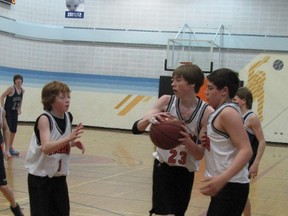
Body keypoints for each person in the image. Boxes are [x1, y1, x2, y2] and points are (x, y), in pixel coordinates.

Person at [132, 64, 213, 216]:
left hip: (185, 171)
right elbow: (136, 129)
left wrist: (186, 140)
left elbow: (199, 155)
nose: (172, 83)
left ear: (191, 84)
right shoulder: (166, 101)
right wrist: (148, 118)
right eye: (172, 80)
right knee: (161, 212)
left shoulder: (206, 112)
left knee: (178, 213)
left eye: (178, 80)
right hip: (162, 167)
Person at [25, 80, 85, 216]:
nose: (67, 100)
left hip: (59, 178)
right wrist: (69, 138)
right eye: (62, 97)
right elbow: (46, 147)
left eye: (68, 96)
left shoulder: (68, 117)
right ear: (50, 100)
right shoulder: (44, 119)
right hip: (40, 179)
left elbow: (59, 143)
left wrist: (72, 144)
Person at [200, 68, 253, 216]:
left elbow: (246, 150)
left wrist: (222, 179)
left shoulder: (227, 113)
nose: (206, 92)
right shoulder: (220, 111)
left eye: (210, 88)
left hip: (230, 185)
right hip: (226, 184)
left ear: (224, 91)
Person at [233, 87, 266, 216]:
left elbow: (262, 141)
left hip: (247, 162)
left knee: (240, 194)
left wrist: (256, 163)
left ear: (243, 101)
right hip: (236, 160)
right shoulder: (235, 116)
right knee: (239, 194)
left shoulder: (251, 118)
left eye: (235, 99)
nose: (233, 101)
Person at [0, 106, 24, 215]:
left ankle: (15, 207)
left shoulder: (1, 111)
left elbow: (5, 128)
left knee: (3, 186)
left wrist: (7, 149)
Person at [1, 74, 25, 156]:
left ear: (22, 81)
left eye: (20, 79)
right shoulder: (11, 88)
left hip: (14, 112)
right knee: (7, 130)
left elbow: (21, 100)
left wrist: (20, 108)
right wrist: (2, 107)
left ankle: (10, 148)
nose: (19, 80)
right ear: (14, 81)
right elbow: (2, 96)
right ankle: (4, 148)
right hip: (8, 111)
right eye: (17, 79)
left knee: (14, 130)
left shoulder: (22, 90)